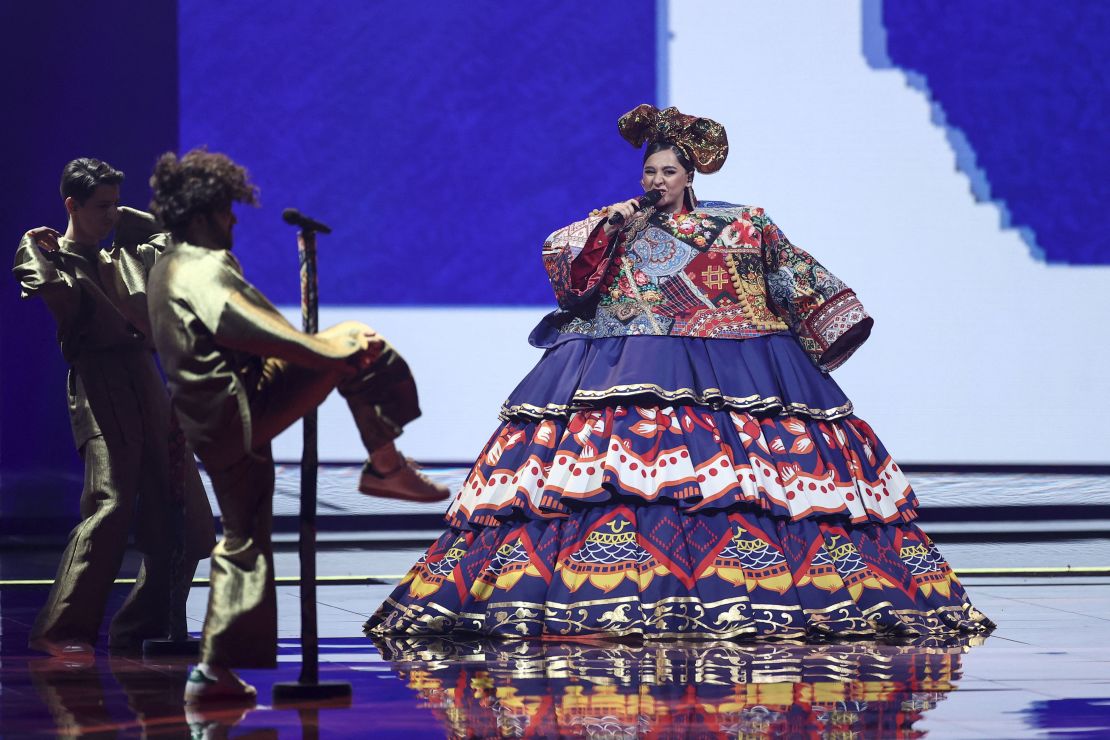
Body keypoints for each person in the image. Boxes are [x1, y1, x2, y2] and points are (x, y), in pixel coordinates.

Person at [367, 104, 994, 640]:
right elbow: (565, 268)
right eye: (649, 170)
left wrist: (827, 320)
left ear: (690, 175)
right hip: (622, 355)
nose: (656, 178)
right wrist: (610, 222)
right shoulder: (618, 225)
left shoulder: (738, 221)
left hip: (734, 359)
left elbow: (789, 269)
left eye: (668, 170)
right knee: (602, 483)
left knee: (751, 486)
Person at [144, 147, 449, 703]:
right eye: (225, 211)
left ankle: (213, 669)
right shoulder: (200, 266)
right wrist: (325, 351)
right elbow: (242, 325)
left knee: (241, 539)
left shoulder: (166, 265)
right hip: (240, 408)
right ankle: (385, 463)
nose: (234, 220)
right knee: (359, 339)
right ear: (200, 214)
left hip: (208, 422)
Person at [12, 158, 216, 658]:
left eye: (114, 205)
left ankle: (141, 625)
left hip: (147, 381)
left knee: (191, 519)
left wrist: (123, 214)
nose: (110, 215)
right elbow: (44, 283)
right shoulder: (52, 258)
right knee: (112, 503)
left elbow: (176, 236)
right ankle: (62, 632)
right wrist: (30, 240)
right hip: (99, 384)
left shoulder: (127, 254)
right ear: (71, 206)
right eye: (100, 207)